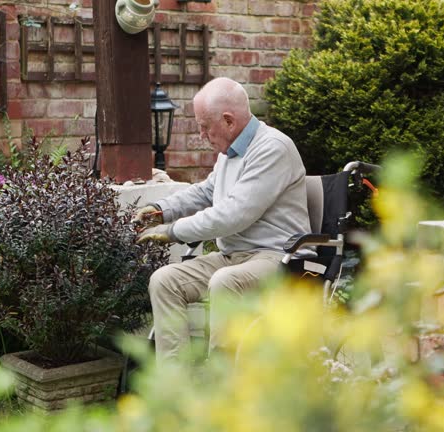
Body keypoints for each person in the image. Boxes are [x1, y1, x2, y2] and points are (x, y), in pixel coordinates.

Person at [134, 77, 312, 362]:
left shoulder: (272, 148)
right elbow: (207, 191)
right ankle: (173, 387)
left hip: (277, 257)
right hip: (232, 257)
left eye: (204, 126)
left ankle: (221, 384)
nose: (201, 135)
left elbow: (232, 215)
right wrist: (160, 210)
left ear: (228, 121)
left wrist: (173, 231)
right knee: (164, 280)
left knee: (224, 282)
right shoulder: (230, 152)